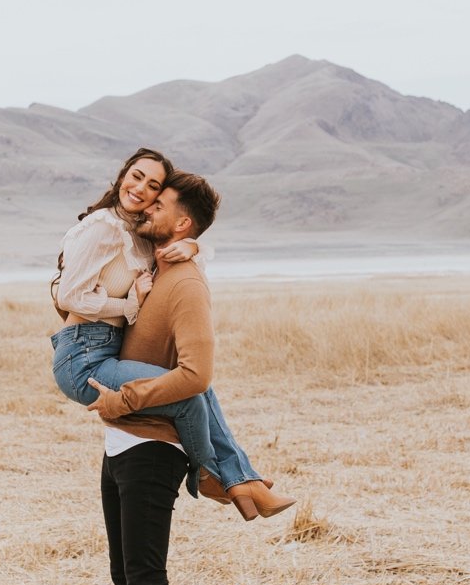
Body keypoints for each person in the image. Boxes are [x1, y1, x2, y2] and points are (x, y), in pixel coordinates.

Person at [84, 170, 249, 585]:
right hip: (121, 441)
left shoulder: (186, 285)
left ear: (182, 222)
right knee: (127, 580)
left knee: (149, 583)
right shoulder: (154, 265)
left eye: (161, 202)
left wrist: (126, 397)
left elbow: (196, 375)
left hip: (155, 445)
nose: (147, 206)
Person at [49, 148, 291, 520]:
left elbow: (181, 245)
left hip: (105, 350)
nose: (141, 190)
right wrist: (129, 306)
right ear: (122, 175)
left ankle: (244, 479)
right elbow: (68, 296)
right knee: (190, 398)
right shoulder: (102, 227)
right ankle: (211, 475)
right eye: (137, 176)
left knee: (198, 386)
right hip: (82, 357)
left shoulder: (138, 232)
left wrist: (194, 244)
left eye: (154, 187)